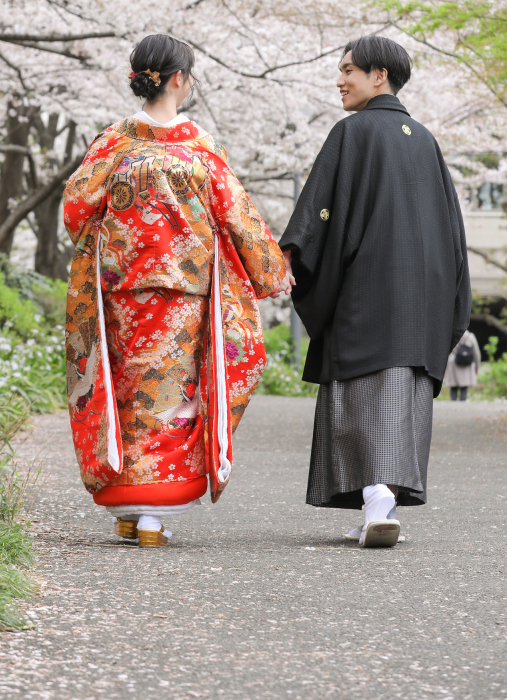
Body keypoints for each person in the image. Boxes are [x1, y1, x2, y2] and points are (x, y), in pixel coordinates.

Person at [63, 34, 285, 548]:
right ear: (180, 79)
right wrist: (271, 270)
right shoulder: (199, 146)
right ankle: (150, 518)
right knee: (171, 396)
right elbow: (238, 215)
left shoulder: (113, 141)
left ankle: (130, 503)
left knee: (125, 393)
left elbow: (75, 209)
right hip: (185, 293)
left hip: (122, 292)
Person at [279, 36, 471, 548]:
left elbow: (316, 211)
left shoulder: (353, 132)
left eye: (349, 71)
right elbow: (453, 230)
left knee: (362, 391)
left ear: (378, 75)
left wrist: (292, 254)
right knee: (401, 393)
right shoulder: (426, 140)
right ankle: (375, 501)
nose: (339, 80)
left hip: (366, 288)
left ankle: (378, 497)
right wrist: (451, 299)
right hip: (422, 295)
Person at [445, 330, 481, 400]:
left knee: (453, 386)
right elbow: (477, 354)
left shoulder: (451, 335)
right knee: (464, 387)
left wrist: (444, 369)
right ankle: (463, 404)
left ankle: (453, 404)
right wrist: (477, 368)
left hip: (453, 362)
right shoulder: (470, 337)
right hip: (466, 363)